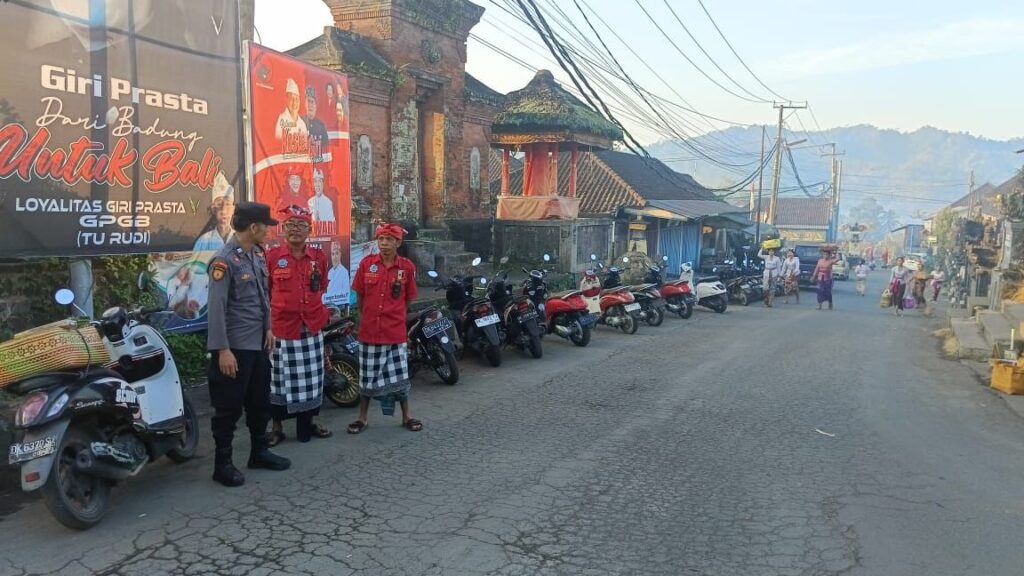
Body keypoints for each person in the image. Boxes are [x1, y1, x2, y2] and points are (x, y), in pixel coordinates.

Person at [206, 202, 291, 487]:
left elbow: (263, 296)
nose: (269, 231)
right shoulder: (223, 261)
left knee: (259, 403)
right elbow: (216, 308)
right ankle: (222, 465)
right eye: (266, 226)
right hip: (234, 348)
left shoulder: (256, 253)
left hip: (258, 344)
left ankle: (259, 453)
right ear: (253, 227)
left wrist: (268, 328)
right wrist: (222, 350)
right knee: (228, 409)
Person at [266, 205, 333, 446]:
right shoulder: (272, 256)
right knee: (278, 380)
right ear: (283, 229)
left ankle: (309, 423)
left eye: (301, 225)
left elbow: (321, 286)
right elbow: (266, 291)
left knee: (312, 380)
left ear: (309, 230)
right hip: (282, 329)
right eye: (291, 225)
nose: (295, 230)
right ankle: (276, 428)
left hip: (311, 326)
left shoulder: (318, 257)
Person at [347, 223, 422, 435]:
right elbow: (360, 296)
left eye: (389, 239)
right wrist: (369, 315)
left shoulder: (407, 267)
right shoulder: (366, 264)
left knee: (400, 378)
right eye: (381, 239)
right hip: (370, 331)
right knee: (367, 377)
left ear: (398, 242)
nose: (384, 243)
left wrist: (394, 315)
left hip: (395, 332)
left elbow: (408, 299)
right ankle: (362, 418)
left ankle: (406, 416)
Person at [193, 173, 236, 252]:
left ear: (233, 209)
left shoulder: (240, 240)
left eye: (228, 204)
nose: (223, 210)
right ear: (213, 209)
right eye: (219, 204)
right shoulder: (203, 241)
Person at [276, 78, 308, 155]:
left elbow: (305, 148)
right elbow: (276, 145)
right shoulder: (282, 119)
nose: (294, 103)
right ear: (287, 100)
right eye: (291, 99)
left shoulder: (302, 124)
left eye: (297, 99)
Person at [305, 86, 329, 163]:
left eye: (312, 102)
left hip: (318, 165)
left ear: (316, 105)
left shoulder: (321, 126)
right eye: (308, 101)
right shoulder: (299, 122)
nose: (310, 105)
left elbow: (326, 148)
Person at [323, 241, 351, 307]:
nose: (335, 257)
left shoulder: (344, 272)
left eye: (336, 254)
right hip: (329, 304)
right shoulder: (330, 272)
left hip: (340, 305)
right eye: (333, 254)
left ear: (340, 254)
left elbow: (346, 292)